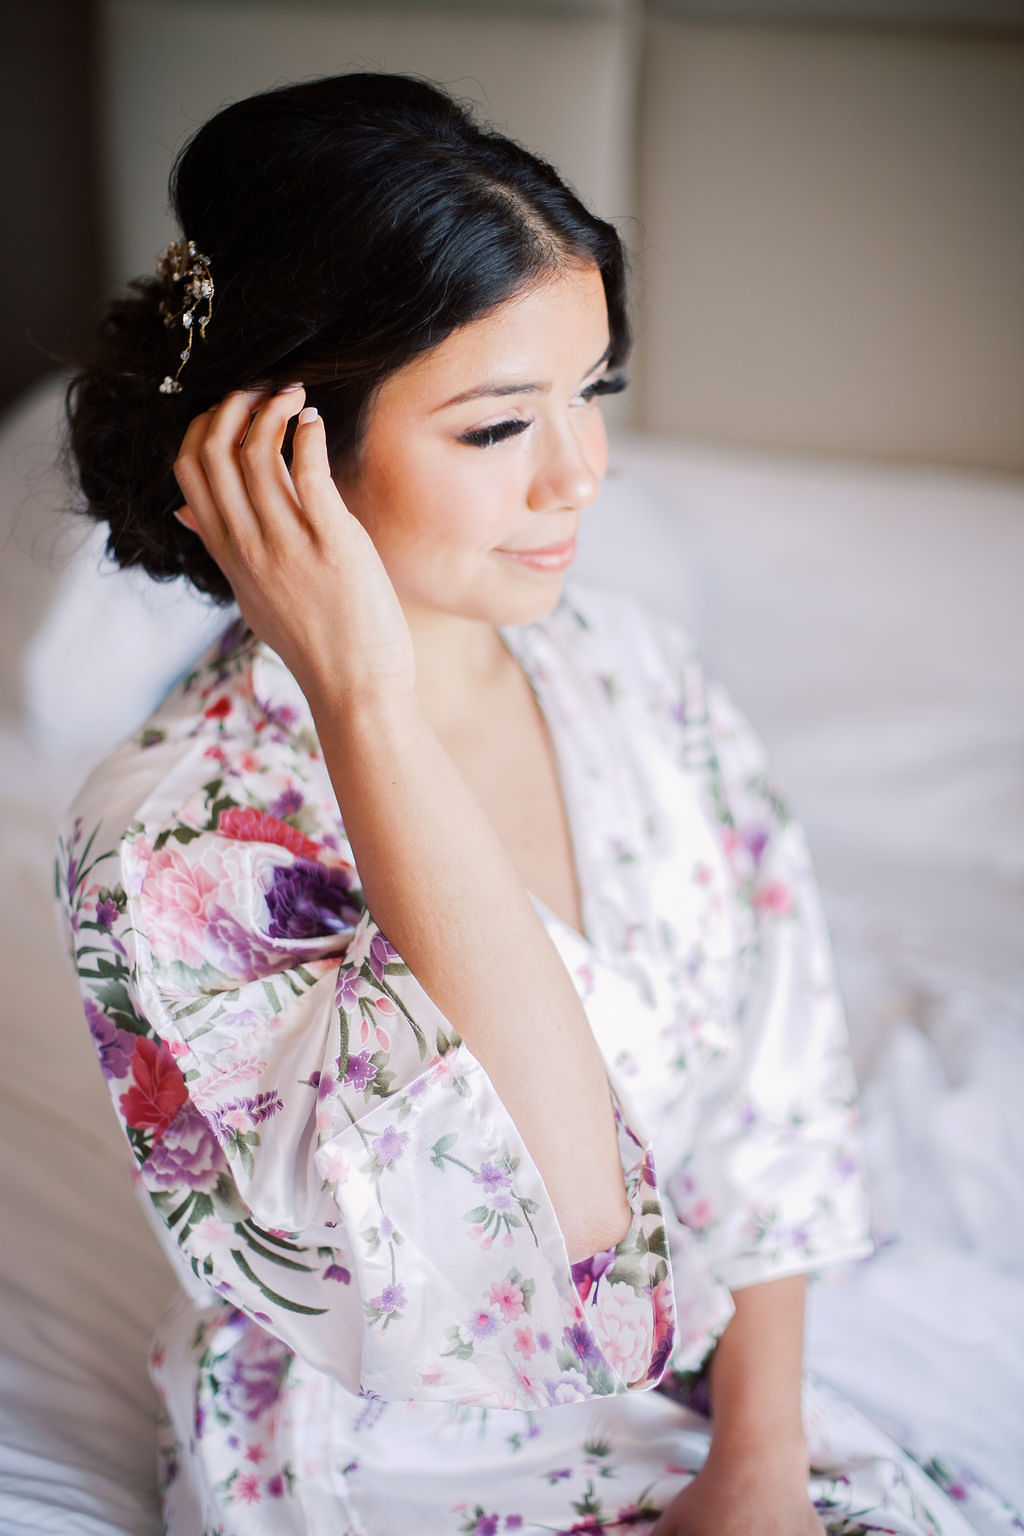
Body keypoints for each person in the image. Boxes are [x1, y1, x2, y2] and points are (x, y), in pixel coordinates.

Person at [57, 72, 1004, 1536]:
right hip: (403, 1454)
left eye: (593, 394)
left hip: (729, 1404)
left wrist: (756, 1467)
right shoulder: (175, 845)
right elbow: (552, 1245)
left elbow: (778, 1093)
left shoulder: (637, 677)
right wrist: (370, 703)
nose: (584, 474)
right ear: (285, 449)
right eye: (501, 427)